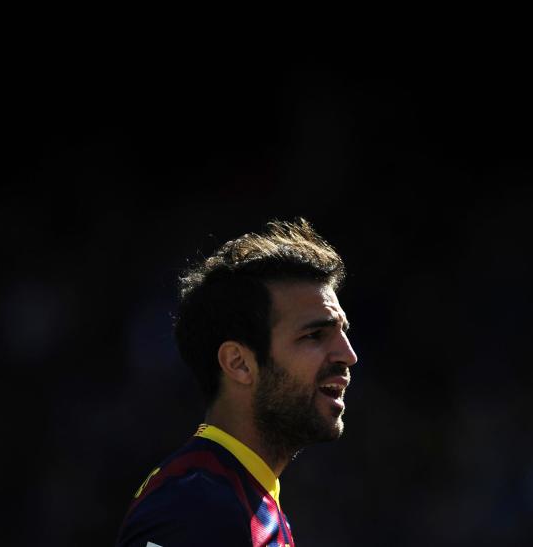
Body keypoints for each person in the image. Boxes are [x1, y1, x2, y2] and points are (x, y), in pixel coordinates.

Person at [115, 218, 358, 547]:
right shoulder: (193, 507)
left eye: (343, 332)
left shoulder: (244, 500)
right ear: (239, 363)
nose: (348, 355)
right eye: (315, 335)